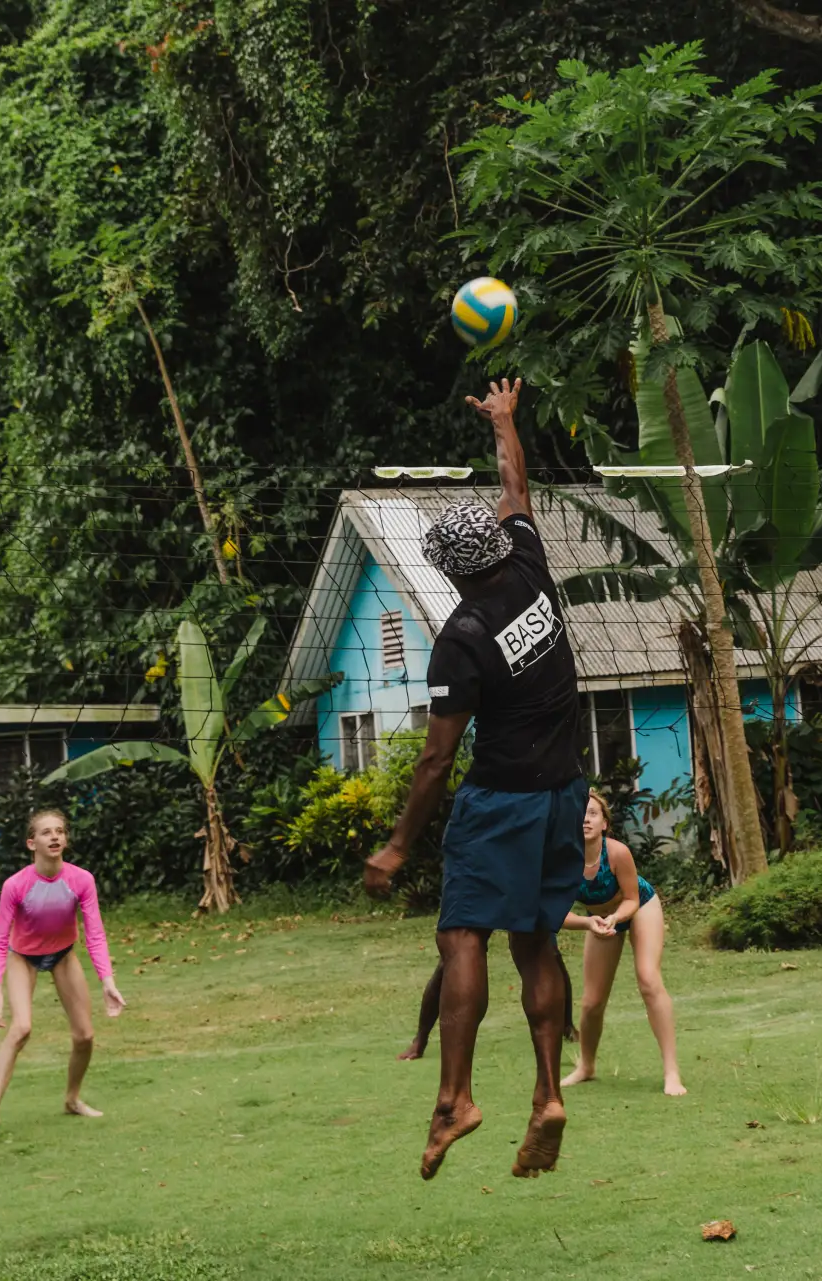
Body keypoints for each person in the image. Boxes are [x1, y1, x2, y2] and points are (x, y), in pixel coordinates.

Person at [364, 378, 587, 1181]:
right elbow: (516, 487)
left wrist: (396, 846)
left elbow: (436, 760)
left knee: (462, 935)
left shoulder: (460, 637)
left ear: (450, 572)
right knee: (535, 940)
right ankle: (548, 1093)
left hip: (502, 800)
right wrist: (505, 421)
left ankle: (455, 1095)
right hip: (566, 790)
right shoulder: (529, 563)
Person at [0, 809, 127, 1142]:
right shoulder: (16, 885)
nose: (55, 837)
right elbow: (0, 938)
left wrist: (108, 982)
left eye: (60, 831)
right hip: (23, 958)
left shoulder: (81, 880)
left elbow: (96, 934)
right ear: (32, 842)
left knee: (85, 1036)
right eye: (46, 832)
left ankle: (72, 1099)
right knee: (21, 1029)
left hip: (62, 955)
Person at [557, 789, 686, 1096]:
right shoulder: (563, 860)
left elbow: (630, 899)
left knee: (648, 980)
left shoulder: (616, 853)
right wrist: (590, 922)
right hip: (598, 919)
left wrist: (615, 918)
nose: (585, 820)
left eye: (592, 814)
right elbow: (554, 914)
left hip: (639, 907)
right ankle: (586, 1066)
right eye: (579, 814)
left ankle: (672, 1073)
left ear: (604, 823)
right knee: (591, 1001)